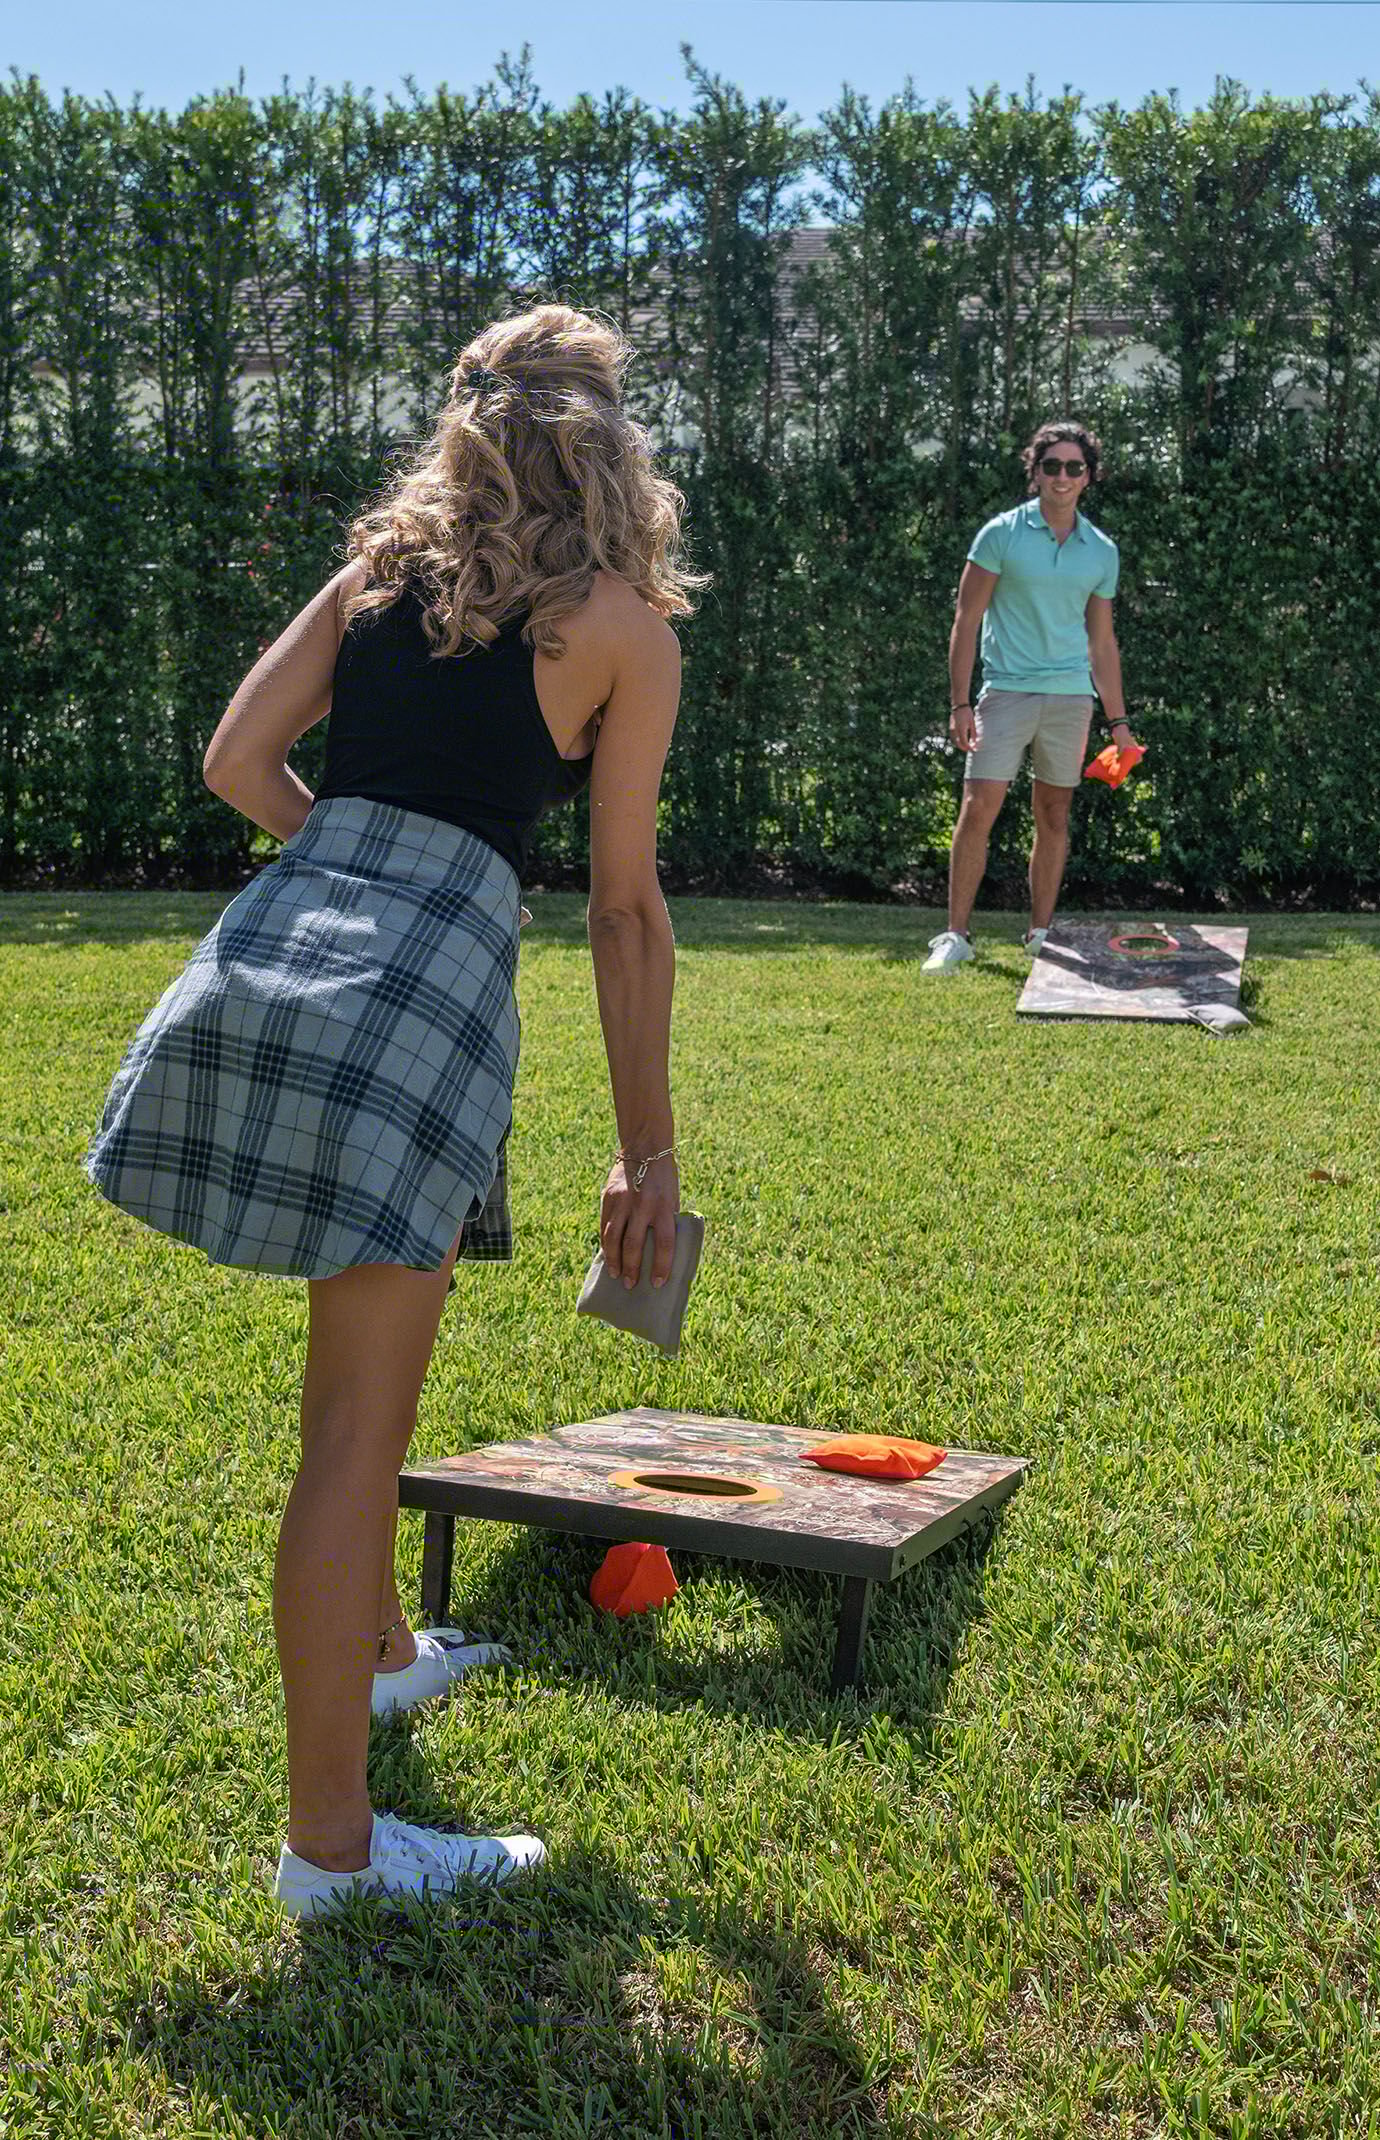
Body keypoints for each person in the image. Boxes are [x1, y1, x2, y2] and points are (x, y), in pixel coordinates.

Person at [83, 304, 705, 1918]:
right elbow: (623, 913)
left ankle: (378, 1659)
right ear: (608, 440)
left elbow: (236, 759)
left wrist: (350, 859)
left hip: (268, 960)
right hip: (424, 1000)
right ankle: (333, 1857)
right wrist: (648, 1151)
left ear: (467, 426)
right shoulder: (626, 629)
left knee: (343, 1398)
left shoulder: (378, 577)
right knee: (356, 1437)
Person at [923, 420, 1139, 972]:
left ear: (1088, 476)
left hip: (1071, 700)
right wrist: (960, 702)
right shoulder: (1000, 534)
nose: (1062, 477)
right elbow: (965, 621)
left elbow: (1102, 642)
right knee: (977, 810)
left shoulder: (1101, 550)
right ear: (1035, 471)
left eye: (1074, 467)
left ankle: (1041, 933)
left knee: (1055, 814)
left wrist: (1119, 722)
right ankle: (955, 936)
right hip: (1005, 694)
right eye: (1052, 466)